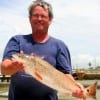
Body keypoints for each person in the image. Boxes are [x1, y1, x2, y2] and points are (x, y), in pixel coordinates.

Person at [1, 0, 86, 100]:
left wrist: (76, 87)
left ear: (50, 19)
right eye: (35, 15)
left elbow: (65, 74)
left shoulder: (59, 45)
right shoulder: (17, 40)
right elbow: (4, 68)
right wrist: (14, 66)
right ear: (30, 19)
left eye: (43, 16)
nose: (39, 18)